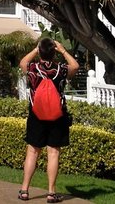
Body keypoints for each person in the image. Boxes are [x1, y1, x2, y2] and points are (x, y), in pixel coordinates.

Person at [19, 37, 79, 202]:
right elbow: (75, 66)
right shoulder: (60, 69)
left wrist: (35, 50)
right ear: (54, 52)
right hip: (57, 116)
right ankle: (51, 193)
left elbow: (22, 63)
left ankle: (24, 190)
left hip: (36, 115)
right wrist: (64, 50)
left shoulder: (33, 68)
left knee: (32, 152)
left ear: (40, 52)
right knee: (53, 153)